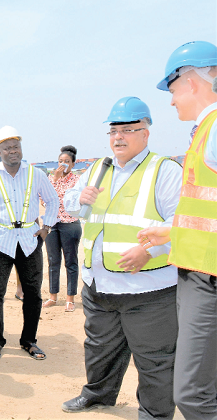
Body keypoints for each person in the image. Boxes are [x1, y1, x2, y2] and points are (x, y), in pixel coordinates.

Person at [61, 97, 182, 418]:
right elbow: (74, 204)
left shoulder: (164, 170)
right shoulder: (98, 168)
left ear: (146, 132)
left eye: (129, 129)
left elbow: (182, 224)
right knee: (99, 348)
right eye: (114, 130)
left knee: (155, 358)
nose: (119, 137)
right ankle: (97, 394)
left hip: (149, 290)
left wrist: (150, 250)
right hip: (99, 286)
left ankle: (155, 413)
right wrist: (78, 197)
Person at [143, 40, 217, 419]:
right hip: (199, 269)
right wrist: (172, 233)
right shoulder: (205, 130)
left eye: (171, 91)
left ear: (189, 82)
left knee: (193, 395)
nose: (171, 101)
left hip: (209, 277)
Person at [0, 125, 58, 361]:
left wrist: (46, 228)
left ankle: (29, 341)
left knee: (33, 293)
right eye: (7, 148)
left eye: (16, 147)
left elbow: (52, 201)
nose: (13, 151)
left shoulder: (36, 174)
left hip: (30, 241)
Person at [42, 145, 81, 312]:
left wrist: (58, 184)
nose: (63, 164)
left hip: (70, 224)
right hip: (52, 224)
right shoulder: (50, 178)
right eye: (60, 161)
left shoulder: (76, 181)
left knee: (70, 262)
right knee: (53, 261)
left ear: (73, 164)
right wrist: (55, 180)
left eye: (66, 162)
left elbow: (70, 202)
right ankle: (53, 296)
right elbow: (44, 200)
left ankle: (70, 299)